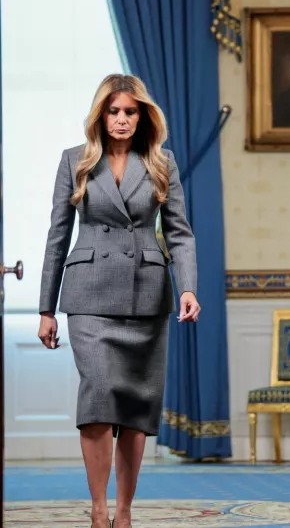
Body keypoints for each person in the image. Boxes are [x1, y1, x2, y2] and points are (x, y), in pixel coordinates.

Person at [37, 74, 202, 528]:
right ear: (101, 115)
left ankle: (125, 511)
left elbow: (180, 233)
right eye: (114, 112)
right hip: (88, 295)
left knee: (135, 406)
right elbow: (57, 236)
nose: (123, 120)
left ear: (142, 116)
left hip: (147, 295)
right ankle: (98, 508)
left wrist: (188, 287)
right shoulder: (75, 161)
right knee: (99, 394)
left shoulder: (161, 162)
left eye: (131, 112)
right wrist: (45, 309)